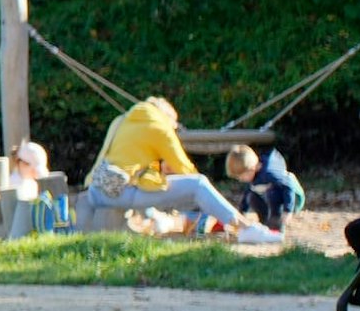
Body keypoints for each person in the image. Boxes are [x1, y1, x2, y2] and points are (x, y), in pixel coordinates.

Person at [99, 96, 279, 245]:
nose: (174, 131)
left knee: (157, 184)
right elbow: (185, 170)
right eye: (175, 128)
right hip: (122, 191)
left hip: (100, 189)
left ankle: (160, 219)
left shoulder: (126, 120)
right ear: (168, 118)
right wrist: (206, 200)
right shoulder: (159, 128)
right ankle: (245, 228)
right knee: (198, 184)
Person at [224, 142, 305, 232]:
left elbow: (289, 184)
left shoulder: (269, 173)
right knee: (252, 197)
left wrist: (288, 211)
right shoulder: (253, 176)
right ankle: (265, 223)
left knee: (272, 193)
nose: (240, 180)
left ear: (251, 169)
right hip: (272, 197)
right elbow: (247, 193)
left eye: (241, 176)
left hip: (293, 198)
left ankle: (276, 225)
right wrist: (242, 213)